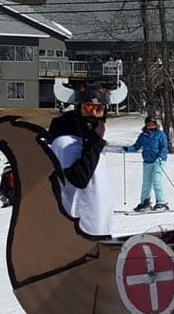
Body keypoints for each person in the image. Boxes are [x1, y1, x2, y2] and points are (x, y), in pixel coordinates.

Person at [50, 78, 126, 238]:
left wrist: (95, 143)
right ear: (78, 109)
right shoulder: (66, 142)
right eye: (88, 109)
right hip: (79, 231)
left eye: (98, 110)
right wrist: (95, 143)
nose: (93, 115)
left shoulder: (91, 142)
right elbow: (78, 179)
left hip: (98, 228)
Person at [123, 116, 169, 212]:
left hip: (158, 161)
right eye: (148, 124)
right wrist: (128, 149)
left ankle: (161, 202)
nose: (150, 126)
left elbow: (164, 147)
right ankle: (145, 202)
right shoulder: (142, 135)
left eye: (152, 124)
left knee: (156, 181)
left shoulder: (160, 134)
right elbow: (136, 146)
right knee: (146, 183)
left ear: (156, 125)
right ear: (146, 125)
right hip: (147, 162)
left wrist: (160, 156)